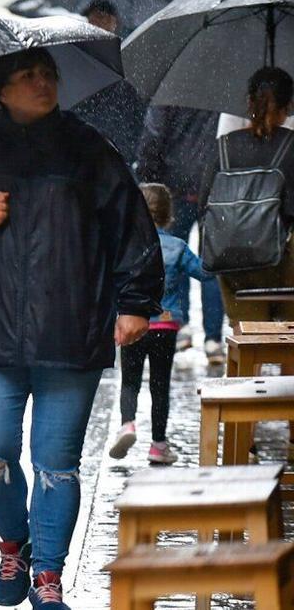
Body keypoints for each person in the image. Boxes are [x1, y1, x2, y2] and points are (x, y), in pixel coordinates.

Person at [0, 48, 162, 610]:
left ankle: (47, 575)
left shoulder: (88, 150)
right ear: (1, 91)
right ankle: (15, 542)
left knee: (57, 466)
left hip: (71, 328)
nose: (42, 83)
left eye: (47, 74)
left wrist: (134, 302)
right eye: (27, 77)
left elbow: (130, 226)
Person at [110, 183, 215, 465]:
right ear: (169, 215)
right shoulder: (177, 247)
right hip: (165, 326)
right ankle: (158, 445)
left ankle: (127, 424)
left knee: (129, 381)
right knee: (160, 385)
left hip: (132, 323)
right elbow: (204, 273)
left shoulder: (126, 246)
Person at [201, 67, 294, 324]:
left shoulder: (223, 146)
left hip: (233, 264)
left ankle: (246, 359)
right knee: (288, 343)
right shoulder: (291, 145)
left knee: (249, 340)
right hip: (284, 268)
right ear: (289, 105)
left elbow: (204, 207)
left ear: (248, 102)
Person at [137, 104, 226, 360]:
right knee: (210, 264)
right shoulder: (220, 90)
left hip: (175, 186)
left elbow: (152, 137)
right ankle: (213, 339)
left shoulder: (169, 93)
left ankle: (181, 324)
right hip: (212, 185)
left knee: (174, 254)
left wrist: (148, 177)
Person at [72, 0, 147, 169]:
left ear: (114, 21)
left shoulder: (128, 52)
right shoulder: (80, 54)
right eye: (92, 18)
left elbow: (136, 106)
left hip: (119, 142)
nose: (95, 23)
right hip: (86, 144)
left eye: (101, 17)